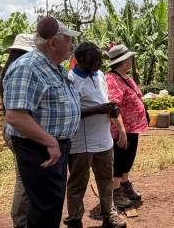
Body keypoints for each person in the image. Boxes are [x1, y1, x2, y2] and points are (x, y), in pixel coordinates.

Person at [3, 17, 81, 228]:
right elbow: (15, 116)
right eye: (68, 40)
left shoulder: (54, 67)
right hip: (40, 147)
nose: (71, 45)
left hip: (53, 147)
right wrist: (51, 142)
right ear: (53, 43)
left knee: (51, 205)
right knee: (45, 207)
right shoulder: (28, 67)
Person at [64, 42, 127, 228]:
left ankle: (109, 215)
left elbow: (105, 100)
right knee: (78, 184)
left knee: (106, 180)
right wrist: (98, 109)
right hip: (81, 144)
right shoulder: (70, 80)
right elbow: (70, 113)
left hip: (104, 141)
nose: (99, 64)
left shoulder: (99, 75)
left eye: (100, 60)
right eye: (95, 60)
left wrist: (113, 112)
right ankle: (74, 220)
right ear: (80, 59)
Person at [0, 33, 35, 228]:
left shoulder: (8, 69)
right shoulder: (18, 71)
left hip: (11, 127)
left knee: (24, 176)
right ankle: (20, 221)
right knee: (24, 178)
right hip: (17, 128)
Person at [105, 44, 148, 208]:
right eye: (129, 58)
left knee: (128, 157)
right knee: (120, 158)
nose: (131, 60)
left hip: (132, 127)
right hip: (121, 129)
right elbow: (113, 105)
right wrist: (121, 130)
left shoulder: (125, 77)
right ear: (123, 61)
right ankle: (116, 192)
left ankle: (125, 183)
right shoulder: (112, 79)